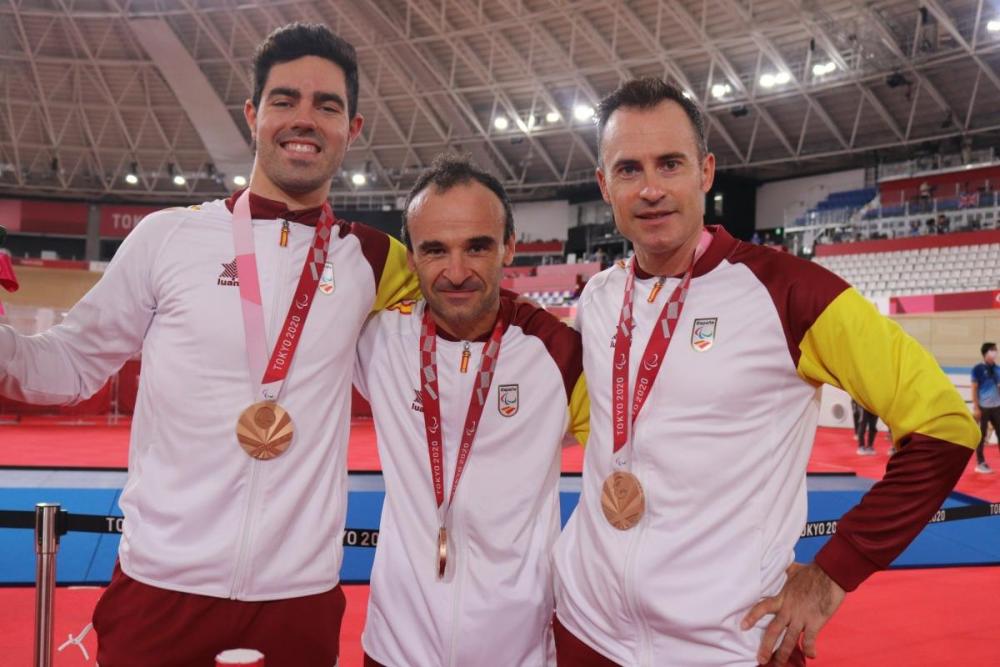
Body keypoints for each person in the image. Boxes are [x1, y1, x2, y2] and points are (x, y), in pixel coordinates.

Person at [0, 23, 420, 665]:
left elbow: (455, 345)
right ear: (253, 115)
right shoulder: (168, 236)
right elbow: (66, 364)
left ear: (352, 128)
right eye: (284, 100)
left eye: (326, 105)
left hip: (299, 598)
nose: (303, 119)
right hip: (161, 589)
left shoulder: (375, 259)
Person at [551, 78, 979, 667]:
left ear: (705, 172)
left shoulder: (792, 292)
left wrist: (833, 572)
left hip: (730, 646)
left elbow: (946, 424)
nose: (650, 189)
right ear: (604, 185)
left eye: (670, 164)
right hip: (583, 629)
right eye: (628, 169)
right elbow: (603, 428)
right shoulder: (597, 298)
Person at [354, 154, 589, 666]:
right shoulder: (376, 338)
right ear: (411, 258)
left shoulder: (560, 354)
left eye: (477, 247)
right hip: (395, 647)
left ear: (509, 245)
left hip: (518, 649)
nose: (456, 272)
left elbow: (641, 466)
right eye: (435, 249)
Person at [971, 342, 1000, 473]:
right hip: (983, 407)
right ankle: (980, 463)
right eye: (993, 350)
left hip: (997, 407)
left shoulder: (997, 369)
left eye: (996, 350)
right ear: (986, 352)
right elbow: (974, 388)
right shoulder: (977, 369)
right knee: (981, 436)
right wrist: (976, 407)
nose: (995, 352)